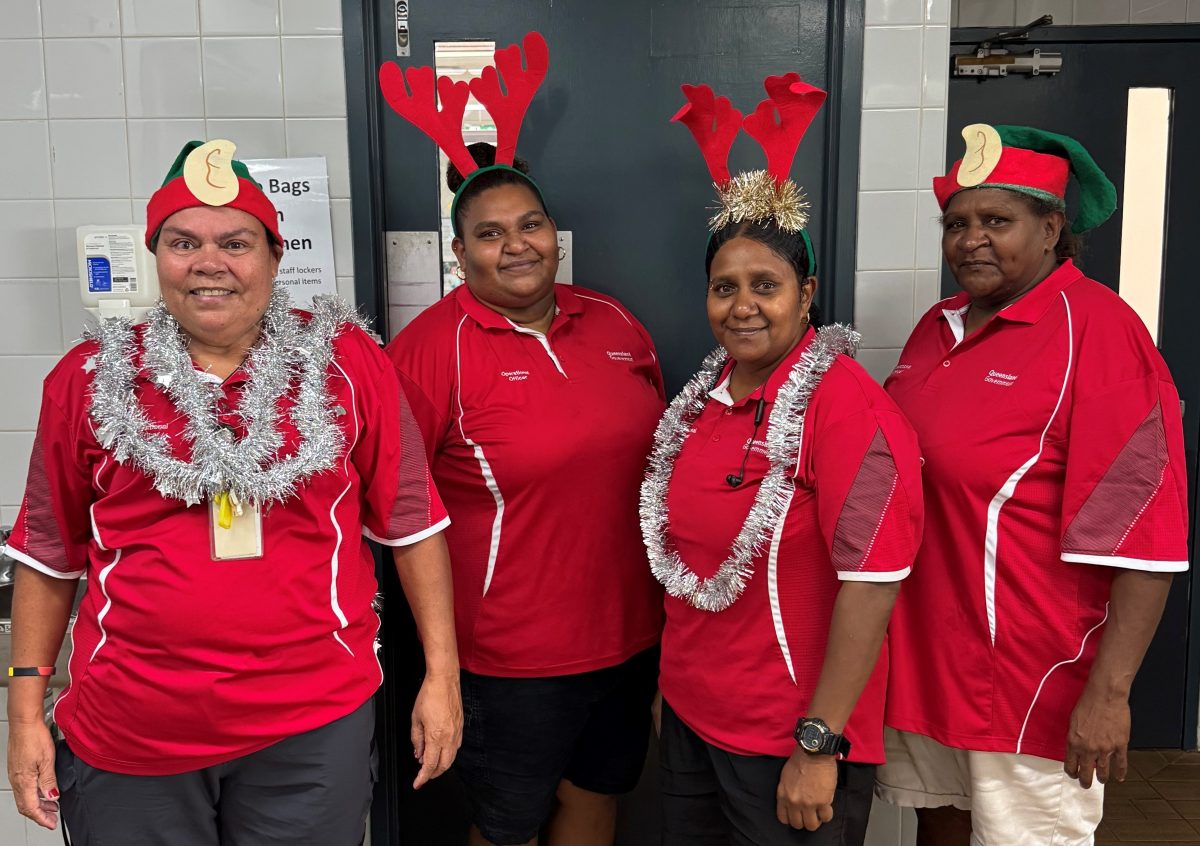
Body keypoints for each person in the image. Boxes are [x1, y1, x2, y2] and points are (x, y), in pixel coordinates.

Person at [3, 139, 462, 845]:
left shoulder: (345, 364)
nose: (209, 263)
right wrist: (26, 714)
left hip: (310, 727)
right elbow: (46, 552)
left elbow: (411, 524)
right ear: (156, 254)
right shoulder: (90, 377)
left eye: (236, 242)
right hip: (132, 732)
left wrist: (442, 675)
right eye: (183, 241)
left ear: (275, 258)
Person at [380, 33, 666, 846]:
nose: (517, 245)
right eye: (492, 233)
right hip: (507, 659)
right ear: (461, 250)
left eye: (531, 224)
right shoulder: (430, 353)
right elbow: (399, 512)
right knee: (506, 826)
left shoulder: (613, 323)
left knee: (597, 797)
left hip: (630, 636)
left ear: (553, 230)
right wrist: (439, 665)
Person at [878, 124, 1190, 844]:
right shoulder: (938, 327)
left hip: (1031, 682)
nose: (970, 240)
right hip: (928, 665)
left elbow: (1145, 536)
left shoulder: (1101, 333)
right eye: (956, 223)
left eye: (996, 221)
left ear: (1052, 228)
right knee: (938, 828)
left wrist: (1109, 695)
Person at [645, 76, 923, 846]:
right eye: (723, 287)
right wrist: (678, 690)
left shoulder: (850, 410)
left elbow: (872, 589)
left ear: (808, 296)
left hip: (791, 740)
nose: (742, 305)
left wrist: (818, 743)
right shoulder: (702, 400)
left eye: (765, 286)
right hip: (697, 724)